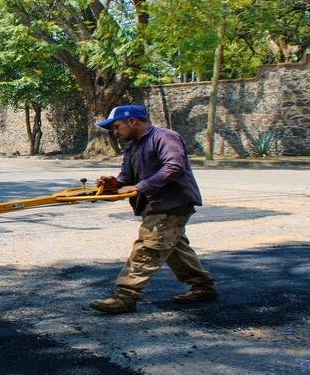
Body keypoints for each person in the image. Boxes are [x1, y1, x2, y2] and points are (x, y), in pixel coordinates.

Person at [90, 104, 218, 315]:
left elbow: (174, 167)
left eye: (116, 127)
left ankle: (125, 296)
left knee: (148, 246)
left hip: (171, 204)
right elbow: (126, 178)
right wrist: (112, 184)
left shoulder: (164, 137)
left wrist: (140, 187)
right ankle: (203, 287)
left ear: (132, 121)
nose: (115, 132)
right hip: (154, 204)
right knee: (174, 248)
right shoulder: (133, 145)